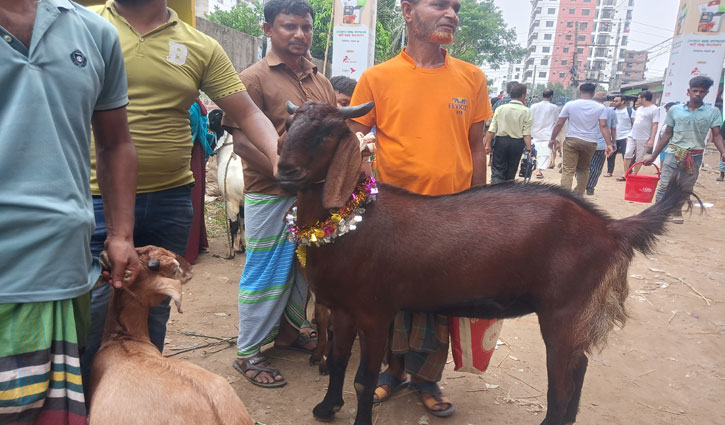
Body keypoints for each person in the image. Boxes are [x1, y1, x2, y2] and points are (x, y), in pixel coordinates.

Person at [81, 0, 280, 389]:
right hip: (92, 197)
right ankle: (84, 404)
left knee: (154, 307)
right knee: (91, 309)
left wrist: (280, 158)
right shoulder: (83, 25)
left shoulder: (200, 45)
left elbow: (250, 113)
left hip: (170, 198)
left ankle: (141, 392)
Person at [349, 0, 493, 417]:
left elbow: (475, 146)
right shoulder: (377, 77)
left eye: (456, 7)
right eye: (439, 4)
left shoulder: (471, 77)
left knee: (440, 299)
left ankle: (427, 378)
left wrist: (478, 207)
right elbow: (354, 139)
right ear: (408, 10)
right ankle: (390, 372)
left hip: (450, 214)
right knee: (388, 297)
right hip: (391, 215)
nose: (451, 13)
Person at [0, 0, 138, 421]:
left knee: (42, 410)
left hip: (61, 263)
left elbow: (115, 142)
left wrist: (120, 235)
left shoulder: (93, 32)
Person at [221, 0, 337, 388]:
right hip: (270, 192)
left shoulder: (321, 81)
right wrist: (277, 167)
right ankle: (249, 350)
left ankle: (290, 331)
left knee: (307, 270)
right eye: (289, 26)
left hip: (312, 197)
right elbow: (240, 141)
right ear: (268, 29)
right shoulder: (252, 78)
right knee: (266, 270)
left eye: (306, 27)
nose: (300, 35)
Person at [646, 76, 725, 223]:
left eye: (702, 91)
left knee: (685, 187)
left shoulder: (713, 112)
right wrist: (653, 156)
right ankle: (658, 212)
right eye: (695, 90)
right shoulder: (675, 110)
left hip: (694, 156)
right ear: (688, 92)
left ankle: (676, 211)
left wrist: (723, 152)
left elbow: (717, 135)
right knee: (665, 184)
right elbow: (667, 134)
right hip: (673, 152)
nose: (698, 94)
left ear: (706, 93)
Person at [550, 83, 614, 194]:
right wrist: (609, 144)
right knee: (584, 169)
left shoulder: (570, 105)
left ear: (580, 92)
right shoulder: (600, 107)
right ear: (593, 94)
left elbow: (559, 123)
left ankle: (566, 196)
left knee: (568, 170)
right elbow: (603, 125)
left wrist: (552, 138)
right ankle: (579, 194)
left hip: (572, 140)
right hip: (590, 142)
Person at [484, 83, 533, 184]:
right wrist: (529, 149)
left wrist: (488, 144)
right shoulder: (527, 111)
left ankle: (496, 191)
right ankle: (507, 193)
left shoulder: (500, 109)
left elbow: (492, 129)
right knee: (511, 170)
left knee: (497, 170)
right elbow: (526, 133)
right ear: (523, 95)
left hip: (501, 142)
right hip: (517, 144)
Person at [619, 91, 660, 180]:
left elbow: (655, 125)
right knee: (627, 154)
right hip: (632, 135)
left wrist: (652, 139)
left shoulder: (654, 109)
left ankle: (634, 175)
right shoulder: (640, 108)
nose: (638, 100)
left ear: (644, 98)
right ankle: (625, 174)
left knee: (639, 157)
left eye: (639, 98)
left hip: (644, 137)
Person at [585, 93, 617, 195]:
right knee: (596, 167)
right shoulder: (610, 112)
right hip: (602, 143)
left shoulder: (586, 109)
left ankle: (582, 183)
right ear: (605, 100)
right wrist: (612, 142)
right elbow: (613, 129)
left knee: (582, 165)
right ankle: (590, 187)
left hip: (585, 142)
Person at [530, 89, 560, 178]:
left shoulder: (534, 106)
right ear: (551, 96)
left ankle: (533, 167)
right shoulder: (554, 107)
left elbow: (530, 119)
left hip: (534, 133)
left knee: (535, 151)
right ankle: (539, 170)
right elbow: (556, 121)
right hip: (548, 134)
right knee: (545, 153)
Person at [605, 95, 634, 177]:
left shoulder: (630, 111)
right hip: (614, 136)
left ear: (623, 102)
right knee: (611, 154)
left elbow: (634, 123)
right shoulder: (612, 111)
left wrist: (631, 136)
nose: (614, 102)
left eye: (616, 101)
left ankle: (629, 172)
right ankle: (609, 171)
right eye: (614, 100)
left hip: (626, 136)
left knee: (626, 154)